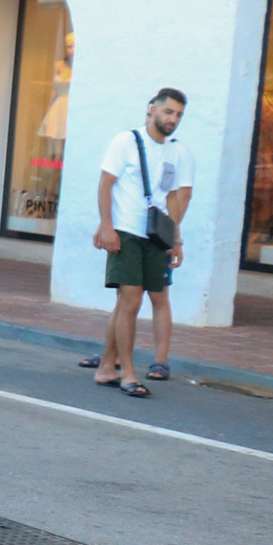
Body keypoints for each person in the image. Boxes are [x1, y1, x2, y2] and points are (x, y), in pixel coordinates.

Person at [90, 87, 191, 397]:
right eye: (168, 112)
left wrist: (176, 240)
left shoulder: (177, 151)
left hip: (156, 235)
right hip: (126, 231)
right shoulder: (127, 141)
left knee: (128, 302)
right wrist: (107, 227)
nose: (172, 119)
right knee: (131, 299)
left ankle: (107, 367)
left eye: (178, 115)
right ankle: (128, 373)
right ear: (154, 110)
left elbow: (175, 197)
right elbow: (106, 185)